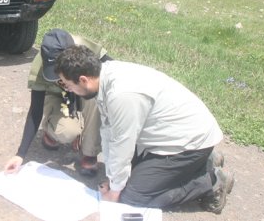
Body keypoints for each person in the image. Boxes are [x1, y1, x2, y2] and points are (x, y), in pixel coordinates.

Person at [53, 45, 235, 214]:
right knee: (124, 180)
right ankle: (205, 161)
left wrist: (115, 192)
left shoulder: (121, 95)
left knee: (131, 198)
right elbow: (109, 133)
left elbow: (121, 144)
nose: (68, 89)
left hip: (189, 142)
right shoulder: (105, 75)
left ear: (83, 80)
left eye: (67, 85)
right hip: (176, 135)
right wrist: (112, 179)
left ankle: (210, 181)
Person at [3, 29, 112, 176]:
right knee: (67, 133)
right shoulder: (39, 66)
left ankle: (89, 152)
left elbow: (112, 69)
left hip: (82, 92)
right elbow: (35, 111)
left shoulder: (84, 47)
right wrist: (20, 154)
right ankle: (51, 130)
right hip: (57, 96)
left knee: (96, 97)